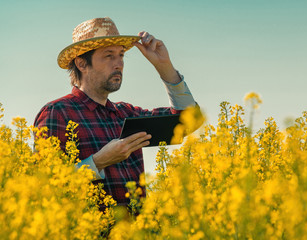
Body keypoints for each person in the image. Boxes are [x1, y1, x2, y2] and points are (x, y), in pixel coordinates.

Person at [34, 17, 197, 207]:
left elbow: (188, 120)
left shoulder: (126, 113)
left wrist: (164, 66)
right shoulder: (57, 113)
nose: (119, 63)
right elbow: (43, 189)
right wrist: (98, 162)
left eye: (121, 55)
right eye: (109, 56)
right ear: (81, 64)